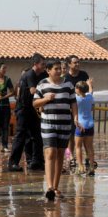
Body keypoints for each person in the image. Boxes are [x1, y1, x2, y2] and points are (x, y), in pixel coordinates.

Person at [34, 60, 78, 201]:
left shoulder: (68, 85)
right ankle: (49, 187)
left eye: (60, 69)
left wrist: (76, 118)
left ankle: (56, 187)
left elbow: (73, 103)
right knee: (50, 152)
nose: (59, 71)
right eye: (56, 69)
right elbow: (34, 103)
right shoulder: (42, 84)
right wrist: (45, 99)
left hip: (64, 124)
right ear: (48, 70)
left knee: (59, 154)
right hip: (48, 123)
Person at [8, 54, 47, 172]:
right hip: (23, 109)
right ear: (35, 64)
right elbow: (32, 90)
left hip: (33, 109)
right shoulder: (29, 74)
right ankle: (13, 163)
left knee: (37, 136)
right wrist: (46, 95)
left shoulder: (43, 74)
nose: (44, 66)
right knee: (21, 136)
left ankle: (37, 162)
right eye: (42, 64)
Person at [64, 55, 89, 171]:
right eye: (75, 63)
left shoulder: (84, 75)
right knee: (69, 136)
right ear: (69, 64)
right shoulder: (65, 78)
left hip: (82, 111)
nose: (77, 64)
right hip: (68, 110)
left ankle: (88, 157)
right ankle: (69, 157)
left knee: (82, 135)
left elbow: (88, 91)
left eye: (78, 62)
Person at [75, 79, 96, 175]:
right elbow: (90, 92)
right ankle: (91, 166)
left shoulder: (76, 99)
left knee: (78, 147)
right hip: (90, 125)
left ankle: (80, 166)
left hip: (80, 125)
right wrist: (90, 85)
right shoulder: (90, 97)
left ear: (78, 89)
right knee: (90, 147)